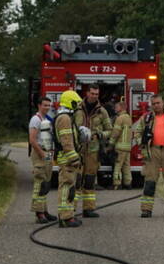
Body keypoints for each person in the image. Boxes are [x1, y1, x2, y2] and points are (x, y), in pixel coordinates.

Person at [73, 84, 112, 218]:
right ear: (87, 93)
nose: (94, 96)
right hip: (78, 150)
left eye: (96, 94)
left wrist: (100, 134)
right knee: (76, 180)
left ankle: (88, 209)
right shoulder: (77, 109)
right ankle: (70, 209)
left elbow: (110, 130)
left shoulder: (102, 111)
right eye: (92, 93)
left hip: (93, 151)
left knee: (89, 180)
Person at [53, 90, 85, 228]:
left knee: (70, 187)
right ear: (70, 102)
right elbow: (66, 141)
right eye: (76, 103)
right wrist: (74, 158)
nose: (78, 106)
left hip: (67, 158)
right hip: (67, 159)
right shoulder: (65, 118)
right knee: (66, 187)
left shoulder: (65, 117)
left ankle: (68, 216)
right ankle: (65, 218)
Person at [28, 96, 57, 224]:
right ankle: (39, 214)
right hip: (40, 153)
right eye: (45, 105)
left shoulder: (46, 119)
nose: (47, 107)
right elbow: (32, 140)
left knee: (46, 183)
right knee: (39, 183)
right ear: (39, 105)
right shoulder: (36, 119)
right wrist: (42, 153)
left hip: (47, 153)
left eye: (49, 105)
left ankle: (44, 211)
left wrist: (50, 155)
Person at [110, 99, 134, 190]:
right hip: (127, 147)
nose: (115, 109)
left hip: (120, 147)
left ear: (121, 108)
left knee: (118, 165)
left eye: (116, 107)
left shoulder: (119, 118)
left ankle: (117, 184)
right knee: (126, 166)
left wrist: (110, 144)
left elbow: (115, 133)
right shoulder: (128, 117)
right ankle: (128, 183)